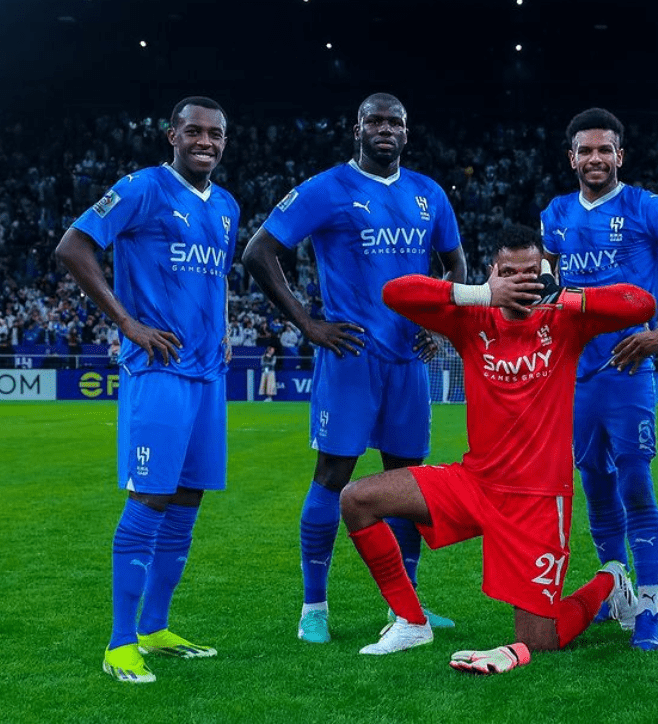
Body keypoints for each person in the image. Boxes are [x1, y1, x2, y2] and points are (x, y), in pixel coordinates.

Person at [339, 225, 654, 671]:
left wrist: (565, 296)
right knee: (357, 500)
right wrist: (479, 294)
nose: (520, 283)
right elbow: (395, 293)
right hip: (475, 484)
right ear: (493, 272)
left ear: (545, 273)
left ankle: (611, 579)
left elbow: (641, 303)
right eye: (509, 273)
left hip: (538, 502)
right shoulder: (471, 318)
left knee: (540, 641)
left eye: (530, 273)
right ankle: (411, 622)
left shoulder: (565, 322)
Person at [243, 92, 468, 644]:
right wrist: (308, 324)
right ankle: (313, 607)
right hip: (350, 357)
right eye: (375, 121)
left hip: (408, 360)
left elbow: (455, 263)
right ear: (357, 129)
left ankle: (407, 606)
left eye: (395, 122)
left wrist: (439, 319)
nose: (385, 129)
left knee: (407, 481)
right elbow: (257, 251)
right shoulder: (326, 188)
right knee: (332, 475)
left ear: (406, 133)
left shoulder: (429, 193)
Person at [55, 96, 240, 684]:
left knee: (187, 500)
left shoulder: (227, 206)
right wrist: (127, 323)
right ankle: (119, 644)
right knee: (149, 500)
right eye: (194, 131)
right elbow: (73, 247)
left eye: (215, 134)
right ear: (172, 135)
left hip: (208, 374)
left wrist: (225, 329)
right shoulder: (141, 188)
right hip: (157, 371)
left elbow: (215, 278)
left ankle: (156, 628)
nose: (205, 141)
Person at [539, 107, 658, 649]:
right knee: (594, 483)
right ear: (571, 158)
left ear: (620, 155)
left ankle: (650, 607)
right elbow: (546, 280)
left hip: (629, 371)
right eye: (585, 150)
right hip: (575, 376)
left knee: (635, 484)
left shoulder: (650, 208)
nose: (595, 158)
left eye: (604, 149)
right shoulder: (556, 213)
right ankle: (617, 590)